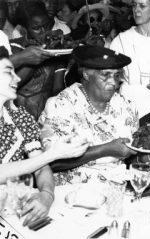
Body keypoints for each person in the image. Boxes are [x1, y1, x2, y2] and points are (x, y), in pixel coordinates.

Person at [0, 47, 89, 226]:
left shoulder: (19, 117)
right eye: (9, 72)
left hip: (11, 208)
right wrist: (53, 154)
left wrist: (46, 195)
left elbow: (41, 167)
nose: (17, 78)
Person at [39, 45, 138, 185]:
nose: (113, 82)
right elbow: (51, 162)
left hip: (117, 188)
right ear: (86, 74)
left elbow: (133, 152)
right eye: (105, 75)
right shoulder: (61, 106)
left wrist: (142, 158)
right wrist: (104, 150)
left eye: (116, 75)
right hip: (72, 192)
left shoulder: (126, 106)